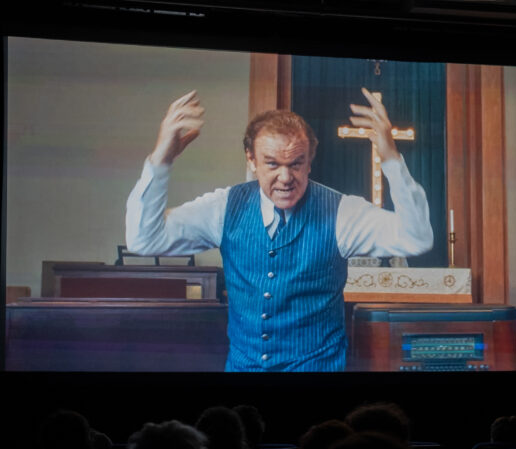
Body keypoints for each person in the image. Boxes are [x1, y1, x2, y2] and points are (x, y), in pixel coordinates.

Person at [125, 88, 434, 371]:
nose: (285, 178)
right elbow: (144, 240)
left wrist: (391, 158)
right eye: (272, 164)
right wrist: (161, 160)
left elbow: (416, 238)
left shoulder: (341, 212)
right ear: (251, 160)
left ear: (309, 161)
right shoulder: (223, 207)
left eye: (296, 164)